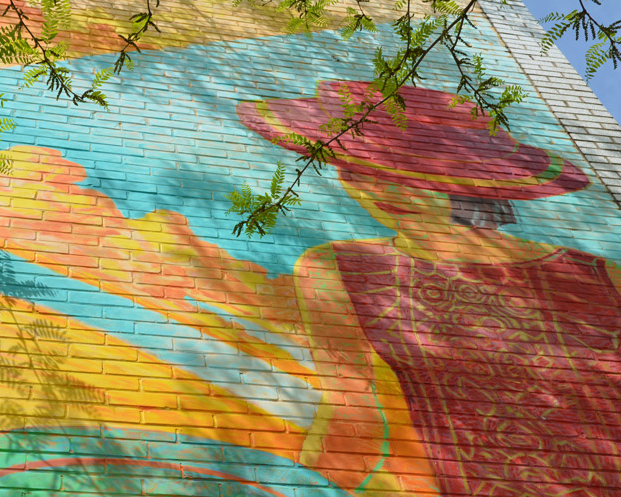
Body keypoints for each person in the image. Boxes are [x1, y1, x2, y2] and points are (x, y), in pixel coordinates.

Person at [238, 81, 621, 496]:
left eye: (409, 174)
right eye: (356, 171)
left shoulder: (604, 276)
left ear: (474, 181)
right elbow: (352, 413)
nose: (377, 190)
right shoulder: (338, 268)